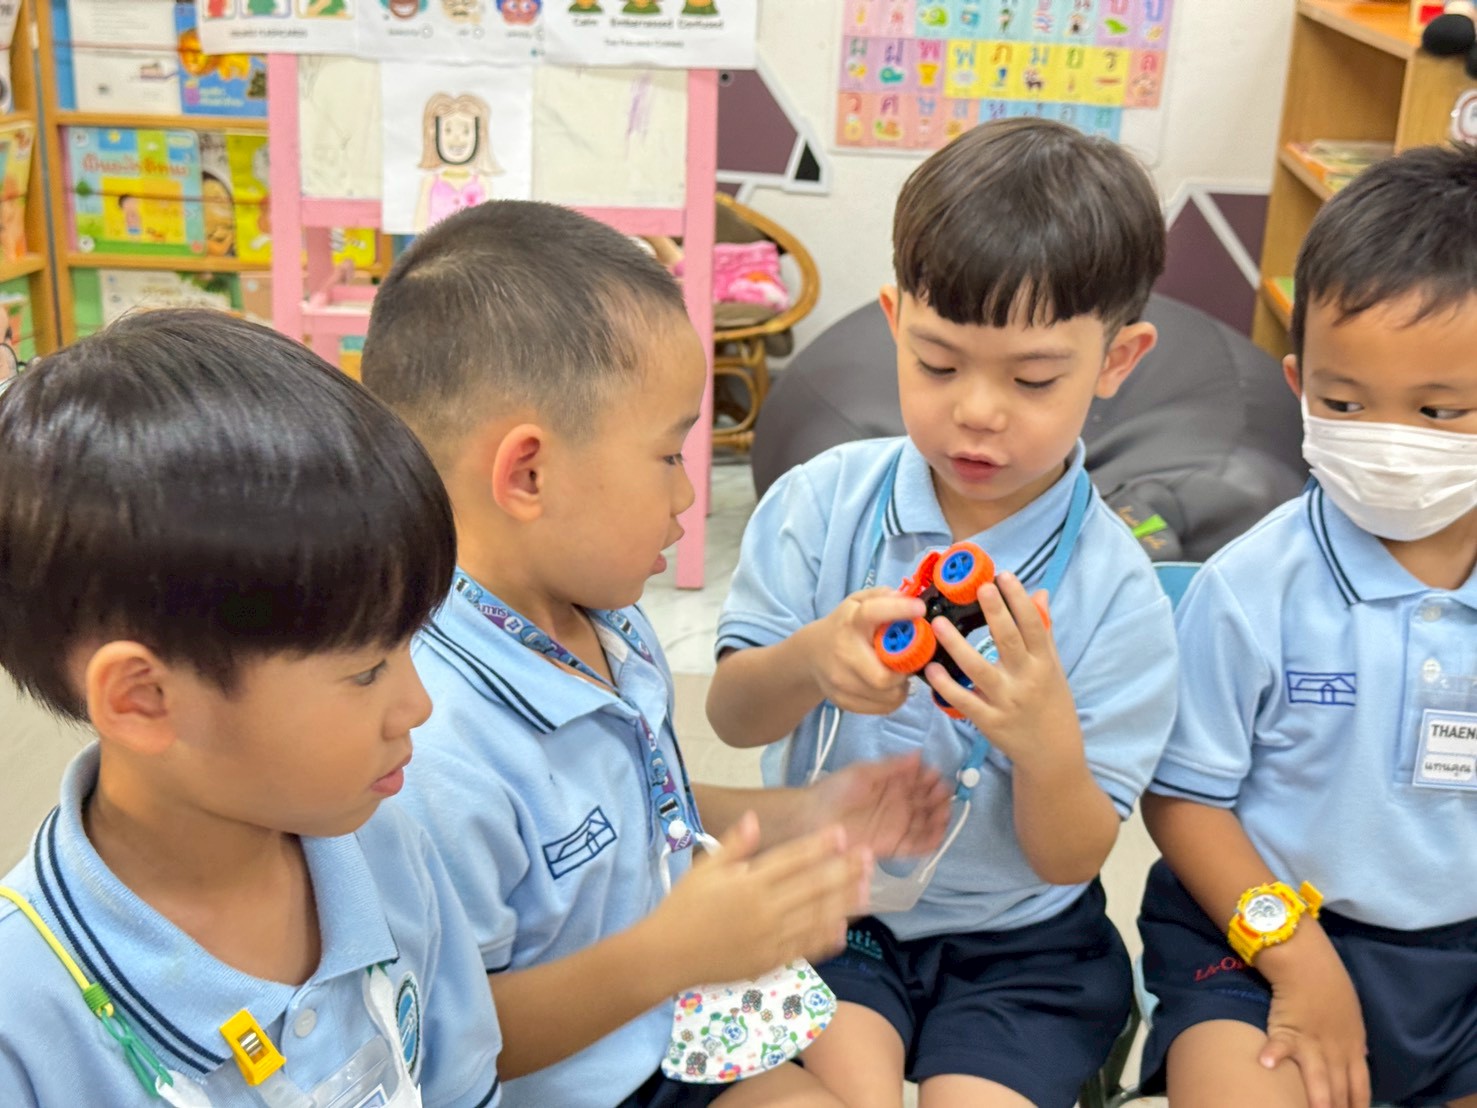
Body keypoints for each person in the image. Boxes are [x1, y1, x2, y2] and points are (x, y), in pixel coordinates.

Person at [359, 199, 952, 1108]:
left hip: (675, 1033)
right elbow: (450, 1045)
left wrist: (805, 813)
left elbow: (635, 799)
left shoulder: (604, 616)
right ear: (528, 473)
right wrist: (669, 953)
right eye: (669, 455)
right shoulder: (426, 746)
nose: (688, 496)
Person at [706, 117, 1179, 1108]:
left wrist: (1044, 741)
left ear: (1117, 360)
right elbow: (732, 716)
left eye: (1033, 378)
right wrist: (809, 661)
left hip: (1025, 945)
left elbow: (1070, 856)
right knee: (850, 1088)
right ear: (893, 322)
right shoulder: (822, 504)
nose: (976, 410)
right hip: (832, 911)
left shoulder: (1114, 590)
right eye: (936, 362)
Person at [0, 311, 503, 1106]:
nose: (416, 705)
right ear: (144, 700)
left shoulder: (384, 846)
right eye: (367, 670)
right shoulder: (25, 1016)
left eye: (412, 645)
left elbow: (462, 1083)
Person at [1137, 144, 1477, 1108]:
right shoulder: (1253, 588)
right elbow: (1182, 801)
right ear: (1295, 380)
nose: (1387, 441)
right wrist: (1294, 957)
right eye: (1341, 402)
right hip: (1256, 941)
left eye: (1437, 410)